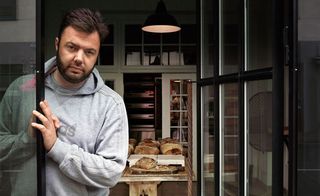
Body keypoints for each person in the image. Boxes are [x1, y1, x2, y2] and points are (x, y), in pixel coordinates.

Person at [0, 8, 128, 196]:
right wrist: (27, 139)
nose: (79, 58)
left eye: (89, 52)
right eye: (72, 47)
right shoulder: (22, 90)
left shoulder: (110, 105)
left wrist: (56, 147)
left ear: (97, 54)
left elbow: (111, 172)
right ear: (57, 44)